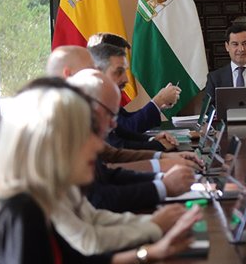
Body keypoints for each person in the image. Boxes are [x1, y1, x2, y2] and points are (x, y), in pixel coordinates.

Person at [0, 84, 204, 264]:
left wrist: (152, 254)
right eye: (85, 135)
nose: (97, 145)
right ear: (50, 144)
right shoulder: (22, 215)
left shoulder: (39, 203)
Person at [45, 45, 201, 173]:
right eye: (91, 69)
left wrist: (161, 156)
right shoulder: (58, 122)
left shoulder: (79, 109)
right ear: (68, 74)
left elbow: (114, 150)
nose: (126, 79)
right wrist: (162, 165)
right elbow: (105, 177)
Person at [64, 71, 195, 213]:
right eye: (119, 70)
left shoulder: (83, 130)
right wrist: (163, 186)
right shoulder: (65, 145)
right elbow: (100, 199)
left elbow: (109, 172)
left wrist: (162, 175)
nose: (114, 125)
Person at [88, 43, 177, 151]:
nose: (126, 79)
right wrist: (159, 100)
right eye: (119, 72)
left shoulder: (103, 100)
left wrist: (152, 140)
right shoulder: (89, 104)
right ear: (97, 72)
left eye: (125, 71)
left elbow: (124, 129)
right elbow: (120, 143)